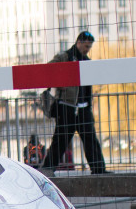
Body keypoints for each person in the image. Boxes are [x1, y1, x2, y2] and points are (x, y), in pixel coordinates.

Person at [45, 32, 106, 174]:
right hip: (67, 107)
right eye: (86, 46)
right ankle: (47, 169)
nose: (87, 50)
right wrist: (59, 83)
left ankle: (99, 169)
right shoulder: (64, 57)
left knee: (90, 140)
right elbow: (47, 70)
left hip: (83, 108)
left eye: (89, 47)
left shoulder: (86, 61)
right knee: (60, 141)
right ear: (78, 42)